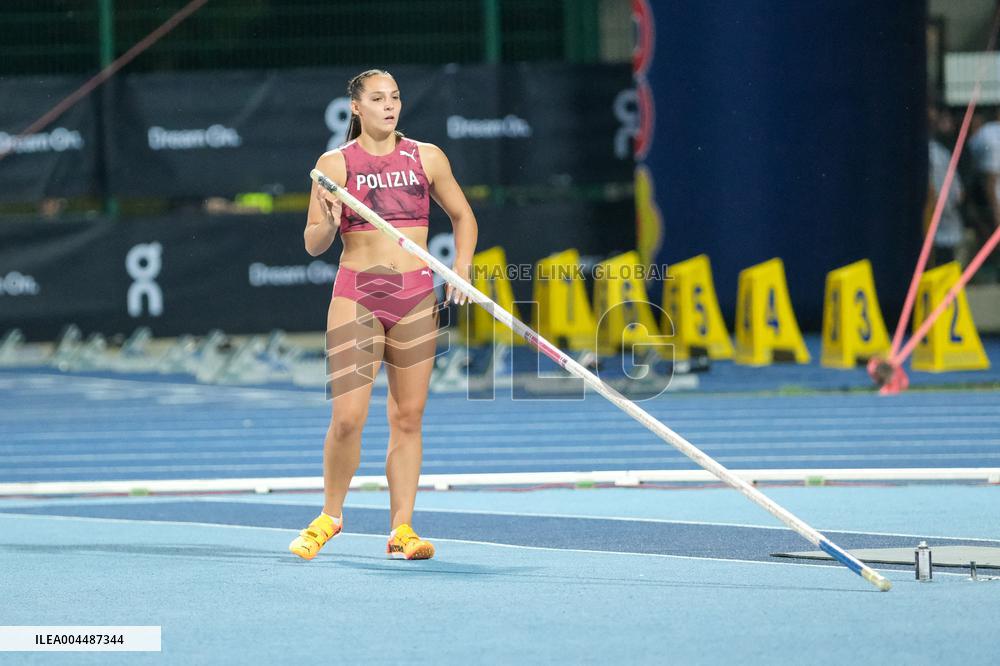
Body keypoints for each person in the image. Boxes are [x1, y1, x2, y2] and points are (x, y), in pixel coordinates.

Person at [290, 69, 478, 561]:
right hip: (358, 294)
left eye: (394, 97)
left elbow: (463, 215)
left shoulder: (426, 156)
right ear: (356, 106)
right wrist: (329, 221)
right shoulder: (335, 164)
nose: (390, 105)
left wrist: (461, 266)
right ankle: (330, 516)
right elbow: (313, 243)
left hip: (415, 295)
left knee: (408, 416)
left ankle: (402, 529)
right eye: (377, 98)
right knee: (348, 418)